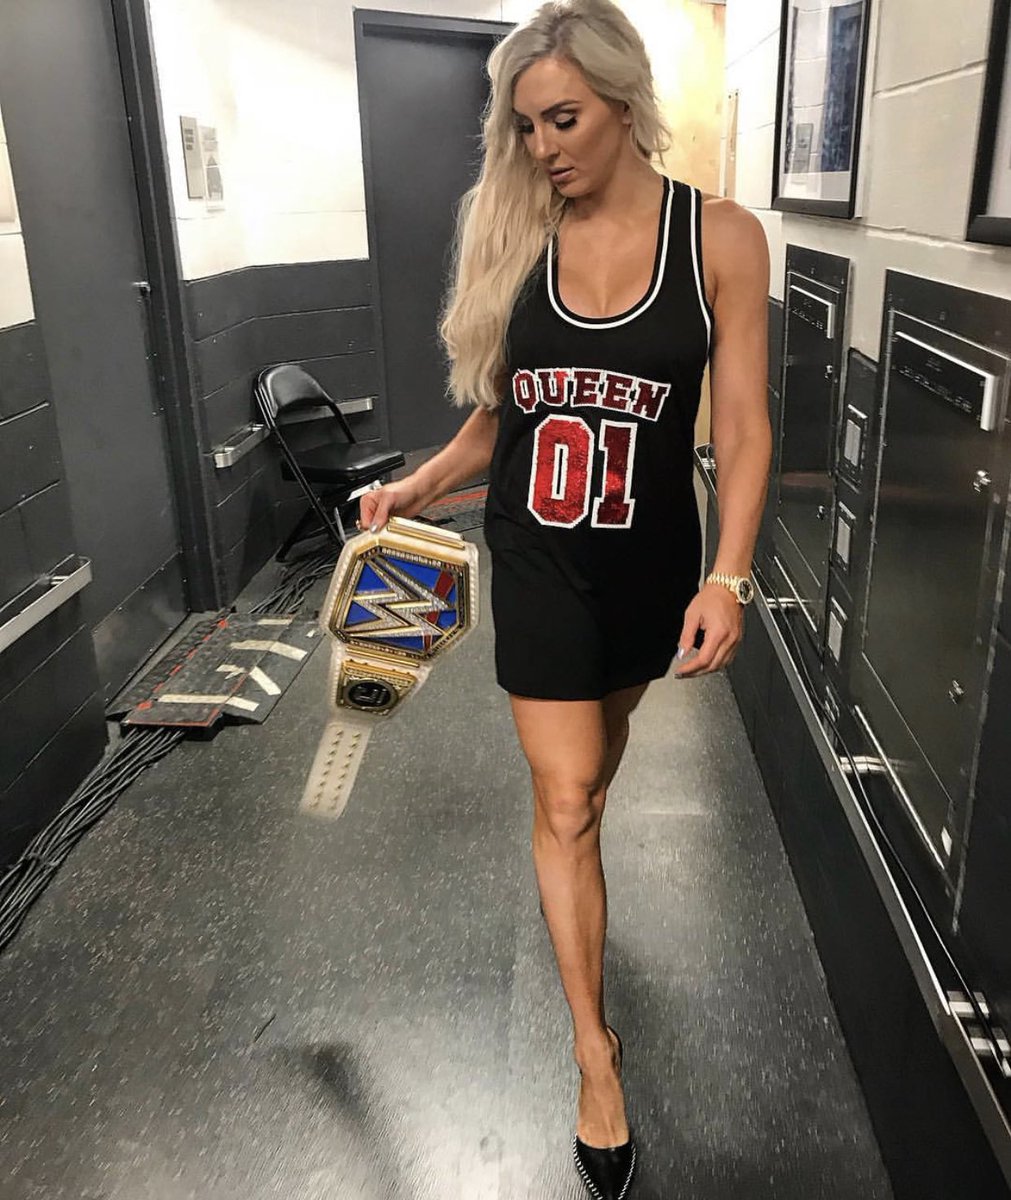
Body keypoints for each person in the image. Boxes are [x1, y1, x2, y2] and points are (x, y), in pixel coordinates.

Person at [358, 1, 771, 1194]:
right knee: (570, 793)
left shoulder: (720, 240)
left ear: (625, 104)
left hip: (648, 563)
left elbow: (745, 428)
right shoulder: (520, 239)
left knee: (602, 751)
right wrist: (419, 485)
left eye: (564, 120)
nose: (542, 147)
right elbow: (504, 416)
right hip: (535, 554)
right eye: (526, 125)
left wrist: (729, 575)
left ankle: (576, 866)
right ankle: (596, 1054)